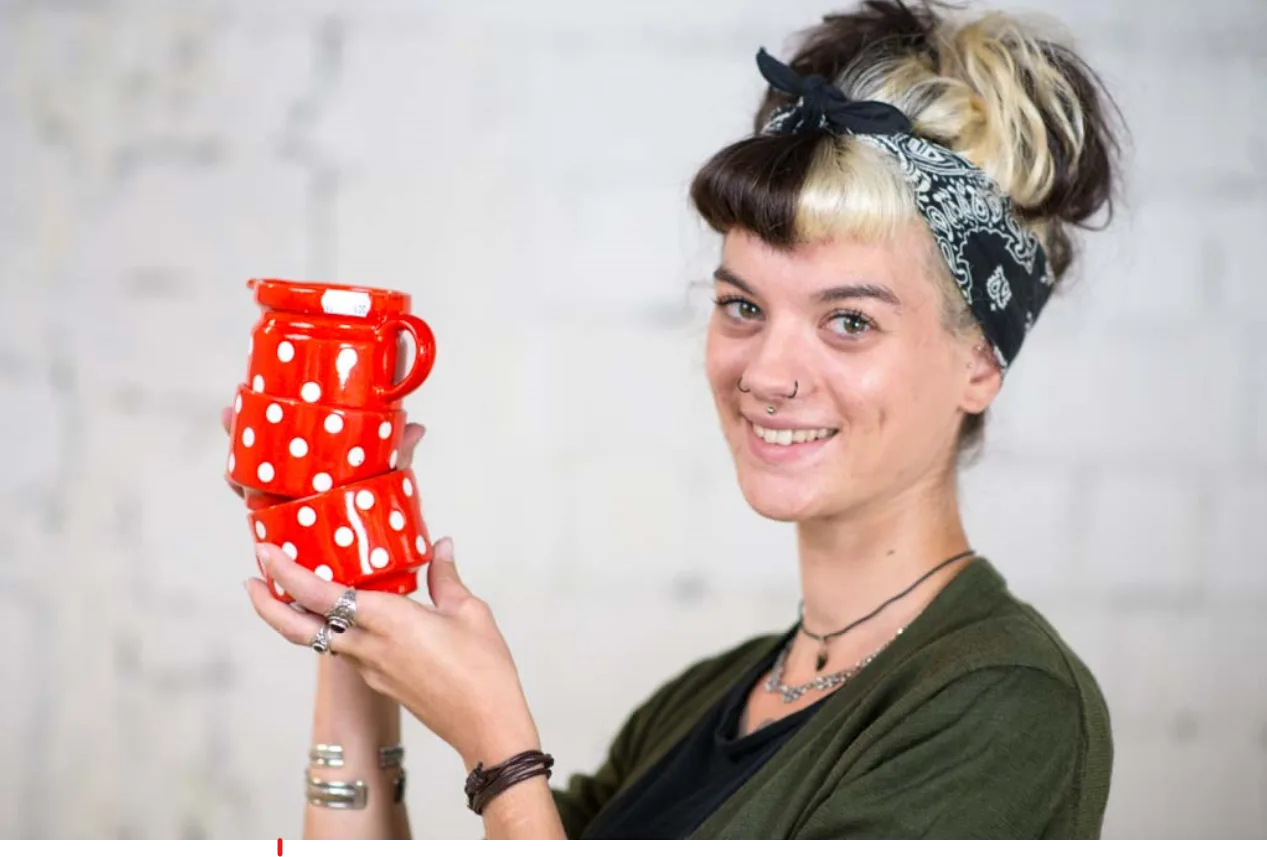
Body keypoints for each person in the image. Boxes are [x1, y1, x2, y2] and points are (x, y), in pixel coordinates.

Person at [233, 0, 1123, 840]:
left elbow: (513, 801)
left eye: (849, 321)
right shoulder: (703, 700)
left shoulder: (1004, 703)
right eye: (743, 307)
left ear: (979, 362)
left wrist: (499, 750)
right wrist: (351, 604)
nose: (765, 372)